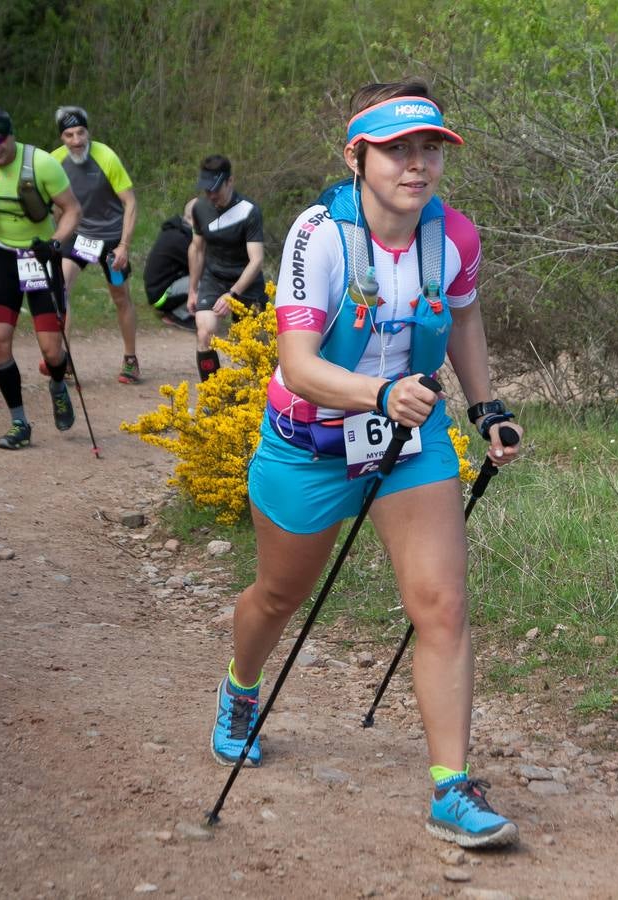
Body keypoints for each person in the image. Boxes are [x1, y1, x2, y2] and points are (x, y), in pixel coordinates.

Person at [209, 80, 524, 849]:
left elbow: (465, 314)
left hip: (408, 440)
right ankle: (240, 688)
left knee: (442, 604)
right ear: (357, 156)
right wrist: (382, 390)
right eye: (395, 150)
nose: (415, 166)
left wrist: (487, 407)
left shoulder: (456, 239)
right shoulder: (318, 236)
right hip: (310, 443)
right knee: (278, 595)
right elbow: (300, 365)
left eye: (429, 150)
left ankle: (451, 787)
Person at [0, 107, 81, 450]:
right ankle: (19, 422)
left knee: (52, 351)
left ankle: (57, 385)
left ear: (12, 136)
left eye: (0, 140)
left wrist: (53, 244)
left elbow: (72, 210)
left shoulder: (41, 164)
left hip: (39, 256)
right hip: (4, 257)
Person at [50, 106, 142, 384]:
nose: (76, 140)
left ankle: (130, 359)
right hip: (80, 238)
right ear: (62, 137)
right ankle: (62, 358)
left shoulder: (106, 157)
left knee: (120, 296)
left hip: (112, 240)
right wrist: (61, 234)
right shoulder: (54, 162)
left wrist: (124, 245)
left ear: (88, 131)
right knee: (60, 289)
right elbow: (55, 202)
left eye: (80, 133)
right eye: (69, 135)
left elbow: (131, 202)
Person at [186, 155, 268, 381]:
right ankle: (213, 394)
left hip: (246, 281)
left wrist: (232, 294)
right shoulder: (199, 208)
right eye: (206, 190)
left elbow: (257, 260)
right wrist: (193, 289)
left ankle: (255, 403)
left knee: (252, 347)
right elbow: (197, 249)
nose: (211, 195)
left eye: (215, 189)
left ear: (230, 181)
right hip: (215, 278)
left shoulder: (249, 211)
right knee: (204, 332)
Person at [143, 198, 198, 331]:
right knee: (208, 281)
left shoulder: (179, 230)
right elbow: (201, 266)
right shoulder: (180, 239)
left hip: (162, 288)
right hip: (160, 296)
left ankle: (181, 310)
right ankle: (178, 315)